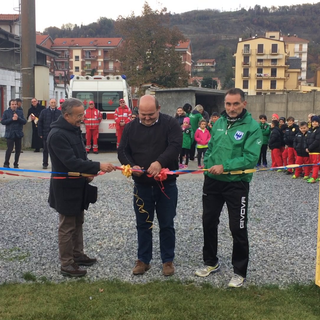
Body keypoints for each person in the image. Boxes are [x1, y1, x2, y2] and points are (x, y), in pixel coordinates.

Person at [195, 88, 262, 288]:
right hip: (213, 182)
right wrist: (208, 166)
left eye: (235, 104)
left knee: (237, 227)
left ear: (244, 104)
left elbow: (250, 158)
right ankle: (211, 262)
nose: (231, 108)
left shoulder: (253, 127)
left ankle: (239, 271)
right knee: (208, 222)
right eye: (228, 104)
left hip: (236, 183)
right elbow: (211, 148)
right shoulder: (219, 123)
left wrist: (225, 167)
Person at [47, 98, 115, 277]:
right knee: (67, 226)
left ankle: (78, 255)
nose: (82, 118)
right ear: (66, 115)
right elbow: (70, 162)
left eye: (82, 114)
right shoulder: (57, 135)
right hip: (65, 188)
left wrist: (88, 171)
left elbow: (81, 156)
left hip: (79, 185)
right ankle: (67, 264)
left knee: (78, 222)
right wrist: (97, 166)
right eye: (79, 115)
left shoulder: (73, 129)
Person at [118, 95, 182, 276]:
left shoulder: (171, 124)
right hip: (142, 185)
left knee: (167, 223)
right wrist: (132, 166)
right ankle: (143, 260)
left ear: (159, 109)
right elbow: (122, 150)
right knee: (143, 224)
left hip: (166, 185)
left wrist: (160, 162)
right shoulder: (130, 127)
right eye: (142, 114)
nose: (146, 118)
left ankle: (167, 260)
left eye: (151, 114)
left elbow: (176, 146)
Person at [1, 99, 27, 168]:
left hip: (18, 133)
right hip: (10, 133)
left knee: (18, 150)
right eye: (13, 104)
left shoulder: (20, 112)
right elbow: (3, 122)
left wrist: (18, 118)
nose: (14, 106)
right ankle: (6, 163)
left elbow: (24, 121)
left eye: (15, 104)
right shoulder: (6, 112)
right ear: (10, 105)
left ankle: (16, 163)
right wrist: (11, 119)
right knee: (9, 149)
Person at [38, 98, 61, 169]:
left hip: (56, 134)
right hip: (46, 133)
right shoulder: (44, 112)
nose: (53, 104)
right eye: (52, 102)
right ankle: (45, 163)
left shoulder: (59, 112)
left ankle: (56, 164)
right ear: (49, 103)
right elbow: (40, 123)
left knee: (56, 150)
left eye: (54, 102)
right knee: (45, 149)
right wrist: (40, 133)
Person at [306, 116, 320, 183]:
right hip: (310, 151)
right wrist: (306, 147)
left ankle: (314, 177)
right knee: (313, 164)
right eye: (313, 122)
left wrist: (310, 148)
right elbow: (307, 139)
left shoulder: (318, 130)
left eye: (316, 122)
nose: (314, 123)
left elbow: (317, 141)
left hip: (316, 151)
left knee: (315, 165)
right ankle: (316, 176)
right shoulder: (310, 130)